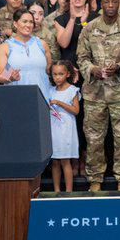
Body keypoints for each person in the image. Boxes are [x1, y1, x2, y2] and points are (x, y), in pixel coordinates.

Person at [76, 0, 120, 192]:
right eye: (107, 2)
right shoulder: (89, 28)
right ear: (101, 4)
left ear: (119, 3)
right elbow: (81, 58)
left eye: (114, 2)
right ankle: (95, 179)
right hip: (94, 93)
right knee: (94, 139)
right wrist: (92, 70)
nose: (111, 5)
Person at [0, 9, 51, 100]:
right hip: (17, 99)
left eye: (31, 22)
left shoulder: (42, 44)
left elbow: (49, 69)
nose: (28, 25)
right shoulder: (6, 47)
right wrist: (11, 77)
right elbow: (1, 76)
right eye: (24, 21)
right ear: (15, 24)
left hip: (41, 99)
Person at [48, 60, 80, 193]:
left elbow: (76, 110)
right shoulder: (50, 90)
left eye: (60, 74)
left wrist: (60, 103)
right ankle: (56, 190)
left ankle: (68, 191)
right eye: (55, 74)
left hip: (66, 130)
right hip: (53, 129)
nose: (57, 77)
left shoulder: (72, 90)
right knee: (55, 161)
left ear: (68, 74)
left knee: (65, 161)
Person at [54, 0, 97, 67]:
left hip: (91, 65)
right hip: (69, 66)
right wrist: (72, 19)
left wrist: (84, 23)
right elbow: (64, 43)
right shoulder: (60, 20)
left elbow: (95, 43)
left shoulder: (96, 18)